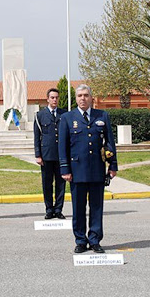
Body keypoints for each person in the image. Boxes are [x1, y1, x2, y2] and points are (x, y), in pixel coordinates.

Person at [59, 84, 117, 253]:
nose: (82, 98)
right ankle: (80, 240)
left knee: (97, 207)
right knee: (78, 207)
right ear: (76, 98)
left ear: (91, 97)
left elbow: (110, 143)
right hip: (76, 170)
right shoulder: (68, 118)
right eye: (79, 96)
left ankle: (95, 239)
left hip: (97, 169)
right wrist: (65, 169)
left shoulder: (102, 116)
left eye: (86, 95)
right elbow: (63, 147)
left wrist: (112, 166)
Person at [34, 88, 67, 219]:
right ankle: (49, 209)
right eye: (52, 97)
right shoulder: (40, 115)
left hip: (61, 155)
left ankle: (58, 209)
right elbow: (37, 137)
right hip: (46, 155)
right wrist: (38, 155)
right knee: (47, 184)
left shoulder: (64, 114)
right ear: (47, 99)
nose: (55, 100)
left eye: (57, 97)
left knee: (61, 184)